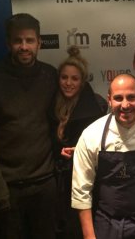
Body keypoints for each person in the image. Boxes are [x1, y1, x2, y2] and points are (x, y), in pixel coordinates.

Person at [0, 13, 58, 239]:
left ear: (39, 42)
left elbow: (63, 118)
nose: (24, 47)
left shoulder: (50, 75)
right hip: (8, 189)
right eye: (18, 41)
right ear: (8, 43)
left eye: (30, 40)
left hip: (45, 186)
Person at [71, 74, 135, 239]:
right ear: (109, 100)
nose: (125, 105)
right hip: (106, 223)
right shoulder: (91, 134)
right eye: (118, 98)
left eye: (131, 97)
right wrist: (89, 236)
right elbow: (81, 191)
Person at [54, 46, 107, 238]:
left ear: (83, 82)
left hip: (86, 182)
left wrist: (82, 150)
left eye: (74, 79)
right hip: (58, 184)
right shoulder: (51, 105)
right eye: (64, 78)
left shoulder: (96, 106)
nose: (68, 83)